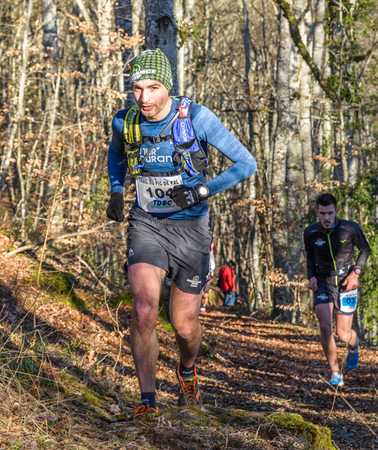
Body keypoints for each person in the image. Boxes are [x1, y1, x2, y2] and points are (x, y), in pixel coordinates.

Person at [105, 48, 257, 420]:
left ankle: (187, 372)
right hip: (147, 225)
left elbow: (246, 163)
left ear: (167, 87)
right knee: (144, 310)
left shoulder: (197, 117)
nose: (144, 98)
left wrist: (202, 191)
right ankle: (148, 400)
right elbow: (116, 155)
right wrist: (116, 190)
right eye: (137, 88)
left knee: (184, 326)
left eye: (153, 88)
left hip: (191, 230)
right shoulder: (125, 122)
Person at [303, 193, 371, 388]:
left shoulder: (349, 228)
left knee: (343, 334)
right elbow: (310, 256)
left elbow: (365, 249)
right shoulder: (310, 232)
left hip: (346, 282)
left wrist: (356, 273)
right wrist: (311, 276)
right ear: (317, 212)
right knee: (325, 327)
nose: (326, 217)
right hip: (323, 282)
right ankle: (335, 373)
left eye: (330, 213)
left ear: (336, 212)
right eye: (323, 213)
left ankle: (354, 345)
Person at [200, 240, 216, 314]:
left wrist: (211, 272)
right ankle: (197, 306)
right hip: (201, 276)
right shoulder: (201, 255)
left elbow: (213, 266)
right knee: (199, 293)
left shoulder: (211, 256)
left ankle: (203, 307)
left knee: (205, 294)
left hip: (207, 278)